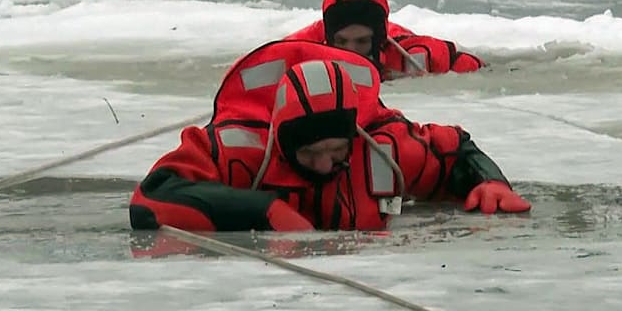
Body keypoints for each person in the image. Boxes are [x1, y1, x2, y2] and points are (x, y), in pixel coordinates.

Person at [128, 40, 529, 233]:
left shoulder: (381, 149)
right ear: (283, 143)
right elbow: (152, 199)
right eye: (309, 153)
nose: (324, 164)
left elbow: (454, 150)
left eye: (336, 151)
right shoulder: (238, 153)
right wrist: (264, 211)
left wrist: (488, 179)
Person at [283, 0, 483, 80]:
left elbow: (476, 66)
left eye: (361, 41)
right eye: (342, 41)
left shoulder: (406, 50)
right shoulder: (300, 47)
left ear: (378, 38)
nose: (351, 52)